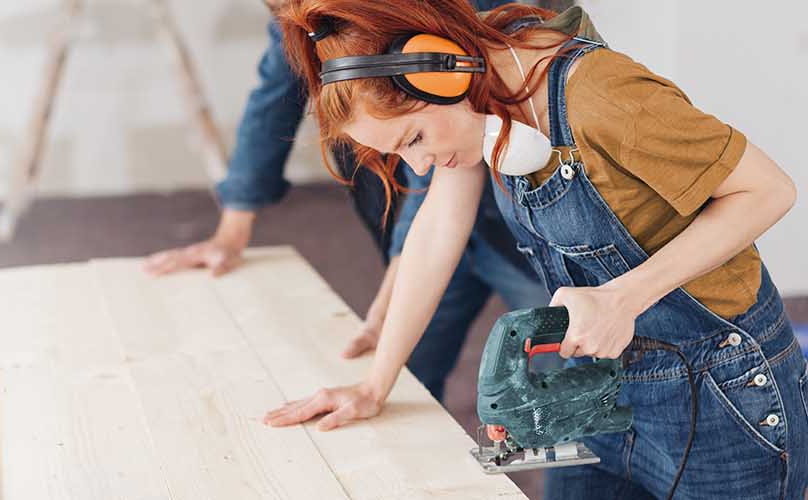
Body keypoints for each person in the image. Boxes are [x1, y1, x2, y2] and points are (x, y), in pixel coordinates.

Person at [257, 1, 804, 498]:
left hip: (721, 392)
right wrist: (376, 384)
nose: (419, 167)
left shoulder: (599, 94)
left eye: (415, 140)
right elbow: (437, 228)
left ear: (439, 73)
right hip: (601, 386)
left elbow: (768, 189)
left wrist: (622, 298)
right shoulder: (484, 100)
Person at [144, 0, 546, 402]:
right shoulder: (310, 17)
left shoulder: (474, 45)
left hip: (525, 216)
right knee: (405, 371)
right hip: (442, 190)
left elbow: (443, 125)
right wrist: (232, 230)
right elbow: (275, 92)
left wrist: (400, 267)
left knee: (566, 378)